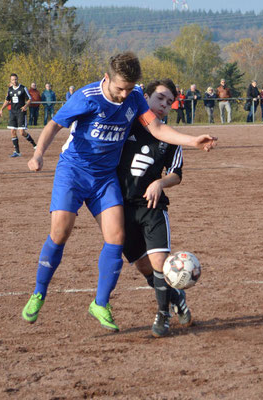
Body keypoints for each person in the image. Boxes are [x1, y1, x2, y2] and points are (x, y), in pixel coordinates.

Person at [21, 52, 216, 332]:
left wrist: (193, 141)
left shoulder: (136, 97)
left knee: (116, 237)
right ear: (106, 78)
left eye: (129, 88)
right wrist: (38, 154)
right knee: (60, 233)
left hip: (104, 179)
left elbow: (158, 129)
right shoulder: (87, 97)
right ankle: (39, 292)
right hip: (74, 172)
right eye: (119, 88)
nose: (125, 94)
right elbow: (54, 124)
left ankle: (100, 304)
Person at [117, 78, 191, 337]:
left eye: (170, 102)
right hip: (122, 209)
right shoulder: (125, 127)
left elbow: (177, 174)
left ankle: (163, 315)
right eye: (160, 98)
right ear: (145, 97)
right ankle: (177, 297)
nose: (164, 105)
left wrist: (160, 183)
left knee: (160, 263)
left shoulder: (170, 138)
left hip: (153, 208)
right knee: (144, 267)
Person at [0, 73, 36, 157]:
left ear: (17, 79)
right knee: (12, 131)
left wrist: (25, 106)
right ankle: (17, 152)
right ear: (10, 80)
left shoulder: (23, 88)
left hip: (21, 112)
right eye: (12, 80)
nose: (14, 81)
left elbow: (30, 99)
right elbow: (7, 100)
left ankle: (34, 144)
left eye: (15, 79)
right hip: (13, 112)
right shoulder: (10, 89)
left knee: (22, 132)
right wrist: (1, 109)